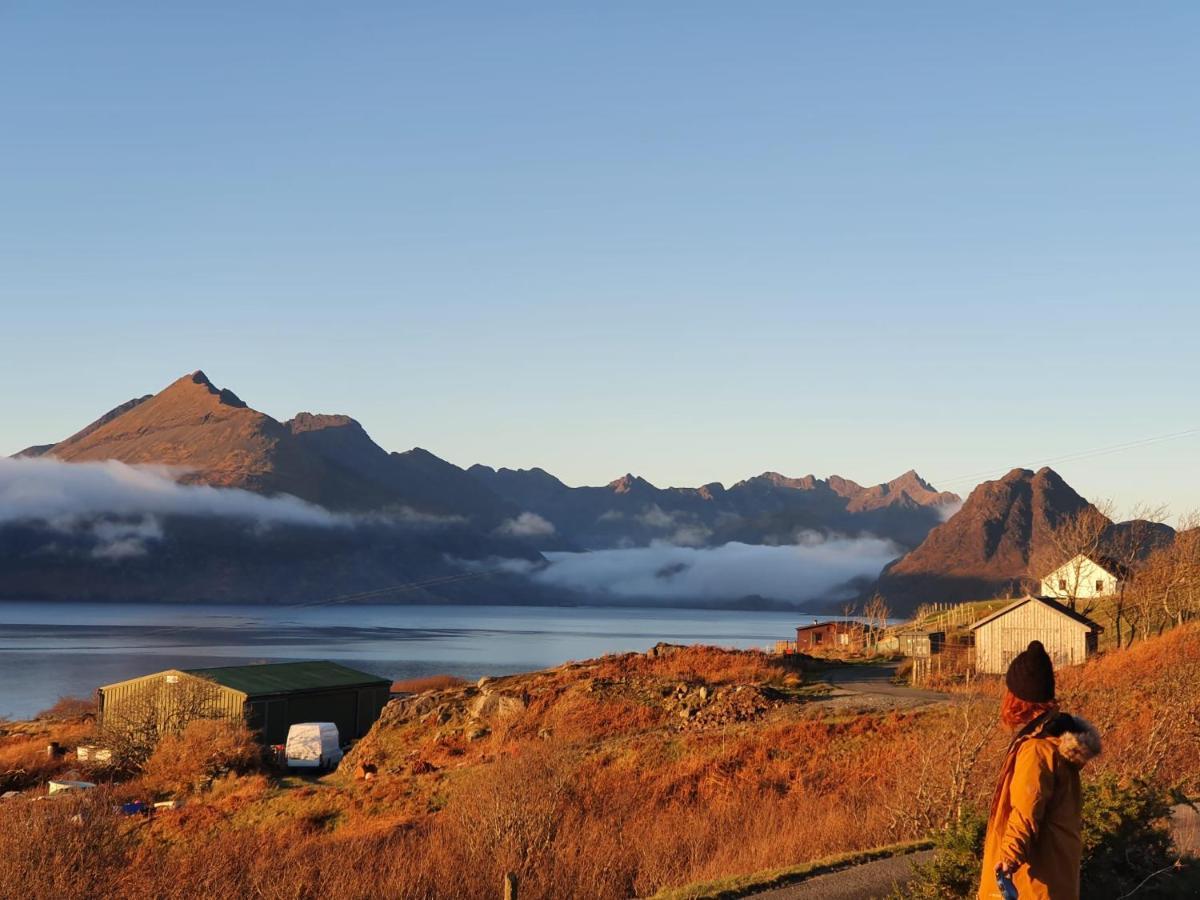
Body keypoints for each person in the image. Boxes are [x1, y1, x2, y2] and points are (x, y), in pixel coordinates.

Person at [978, 640, 1101, 900]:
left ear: (1018, 699)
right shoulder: (1055, 738)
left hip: (1031, 884)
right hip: (1055, 879)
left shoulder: (1036, 749)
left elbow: (1025, 810)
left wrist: (1008, 858)